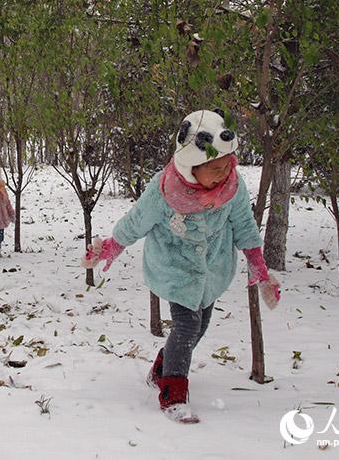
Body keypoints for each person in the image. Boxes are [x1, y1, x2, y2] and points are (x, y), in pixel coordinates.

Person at [82, 109, 281, 423]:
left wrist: (258, 265)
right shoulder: (165, 190)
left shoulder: (232, 187)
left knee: (200, 326)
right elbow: (136, 222)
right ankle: (173, 393)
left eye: (226, 165)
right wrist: (112, 247)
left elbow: (244, 225)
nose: (222, 174)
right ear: (192, 166)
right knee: (187, 326)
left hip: (212, 271)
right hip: (175, 271)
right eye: (214, 169)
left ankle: (162, 368)